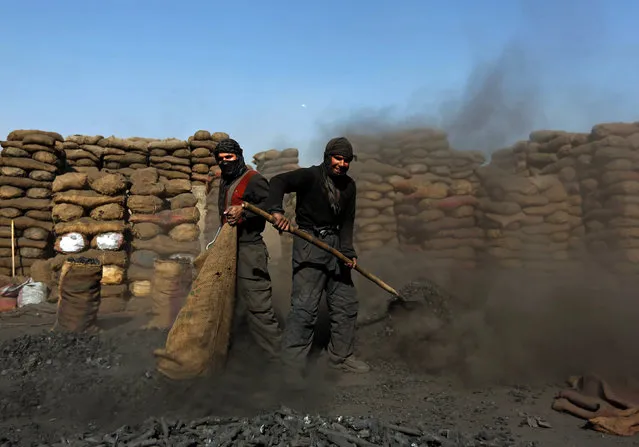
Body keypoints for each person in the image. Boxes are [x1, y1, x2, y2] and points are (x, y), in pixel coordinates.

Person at [265, 136, 370, 380]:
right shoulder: (310, 177)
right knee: (304, 307)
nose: (341, 164)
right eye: (338, 158)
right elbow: (278, 181)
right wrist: (276, 210)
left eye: (346, 160)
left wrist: (348, 251)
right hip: (309, 243)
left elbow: (347, 222)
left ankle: (340, 357)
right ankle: (291, 366)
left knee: (346, 304)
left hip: (335, 247)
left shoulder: (349, 186)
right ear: (327, 157)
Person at [213, 138, 282, 360]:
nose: (225, 163)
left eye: (229, 158)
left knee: (258, 306)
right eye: (221, 159)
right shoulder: (225, 180)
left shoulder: (254, 180)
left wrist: (245, 211)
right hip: (227, 249)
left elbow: (271, 207)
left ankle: (279, 360)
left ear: (239, 156)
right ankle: (239, 355)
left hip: (249, 250)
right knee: (229, 302)